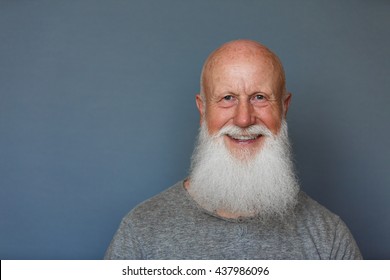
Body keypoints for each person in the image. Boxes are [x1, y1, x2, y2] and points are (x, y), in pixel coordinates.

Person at [104, 39, 362, 259]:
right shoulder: (140, 232)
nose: (243, 119)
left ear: (284, 107)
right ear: (203, 109)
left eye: (259, 97)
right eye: (227, 98)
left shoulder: (329, 239)